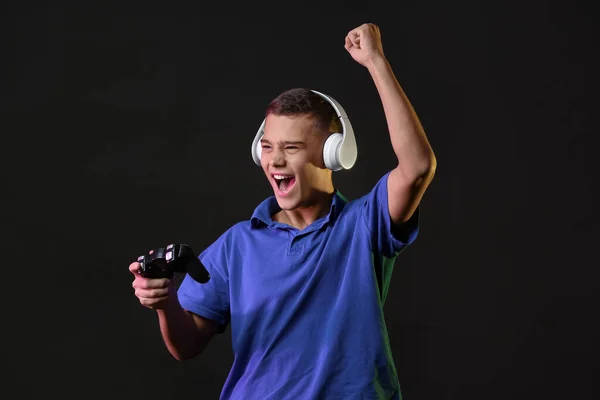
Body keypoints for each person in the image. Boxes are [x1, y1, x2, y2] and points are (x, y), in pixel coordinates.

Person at [129, 23, 436, 399]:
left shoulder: (364, 225)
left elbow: (417, 166)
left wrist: (375, 62)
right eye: (268, 147)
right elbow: (186, 344)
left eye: (290, 148)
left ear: (332, 154)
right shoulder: (237, 245)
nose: (274, 160)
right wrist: (165, 304)